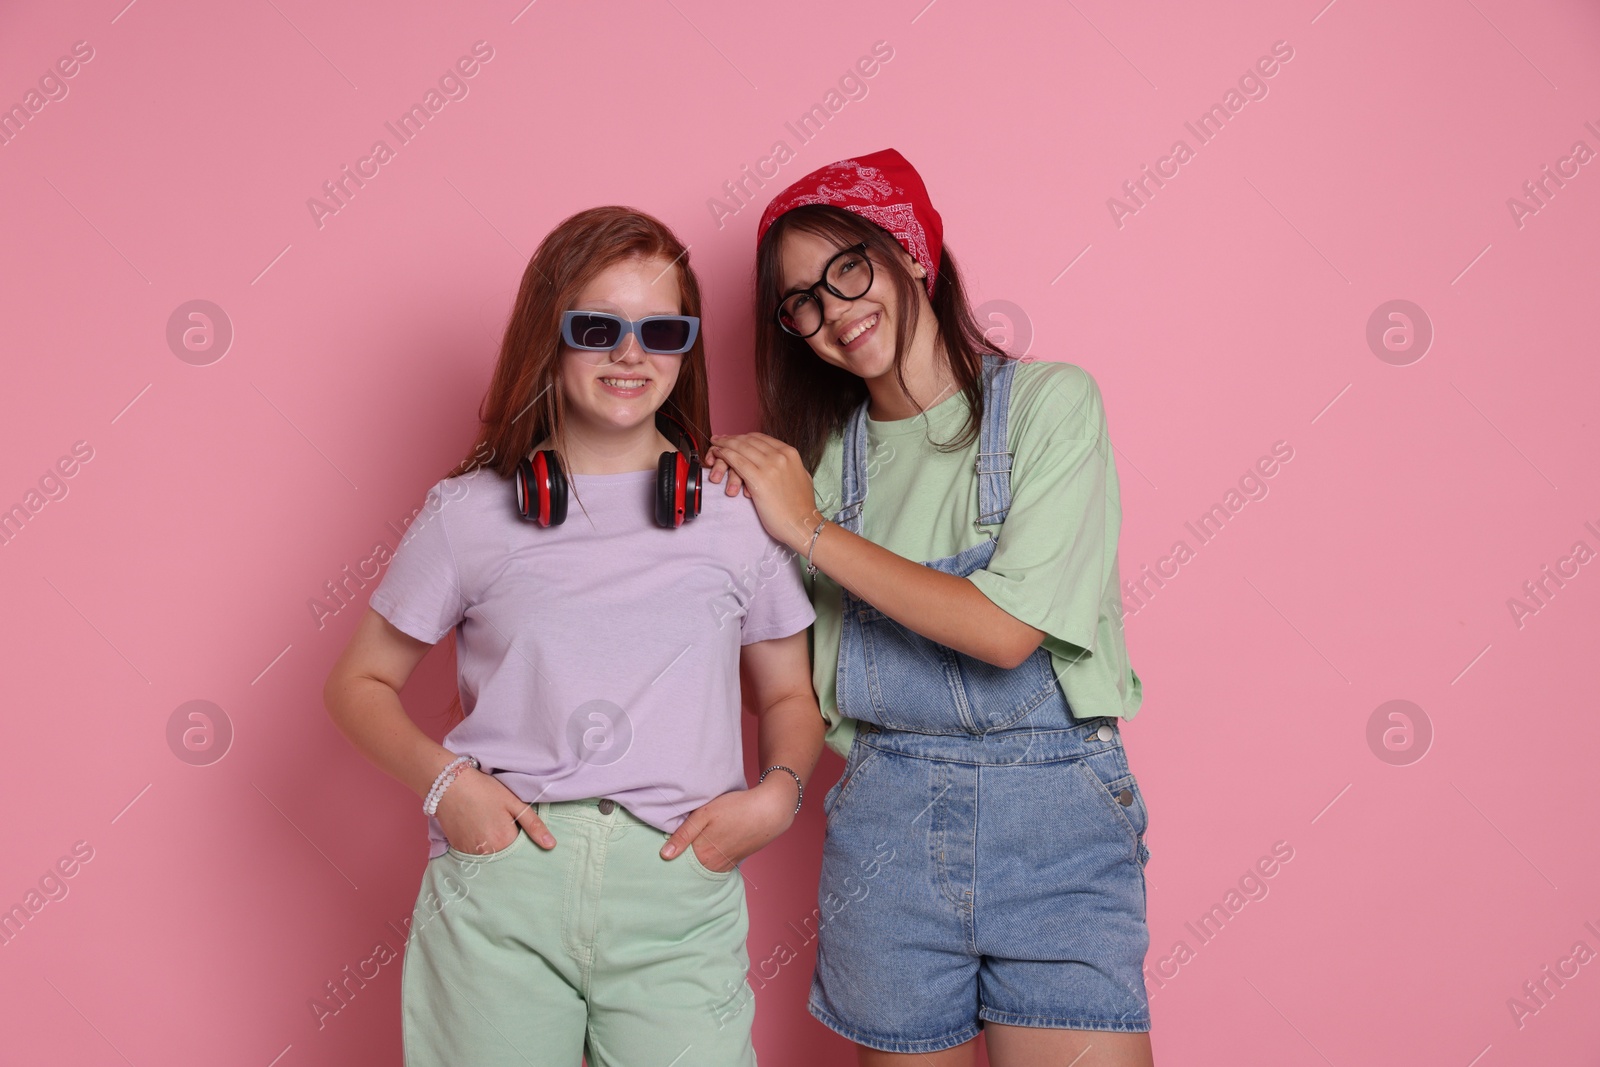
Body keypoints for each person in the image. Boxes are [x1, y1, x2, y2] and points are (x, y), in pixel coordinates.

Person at [323, 205, 824, 1067]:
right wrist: (450, 787)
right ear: (548, 335)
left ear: (685, 348)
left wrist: (776, 795)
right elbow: (356, 684)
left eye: (660, 330)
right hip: (501, 882)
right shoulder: (468, 513)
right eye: (599, 328)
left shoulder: (737, 512)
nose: (632, 355)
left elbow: (788, 693)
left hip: (677, 885)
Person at [705, 149, 1153, 1066]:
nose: (833, 310)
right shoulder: (817, 468)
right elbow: (787, 687)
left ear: (912, 253)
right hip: (888, 837)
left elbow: (1002, 632)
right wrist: (714, 521)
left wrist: (810, 531)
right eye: (803, 302)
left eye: (848, 268)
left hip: (1057, 829)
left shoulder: (1049, 408)